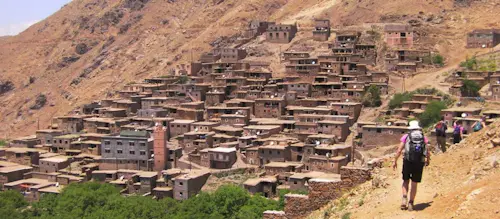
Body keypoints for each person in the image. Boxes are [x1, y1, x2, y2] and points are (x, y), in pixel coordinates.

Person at [393, 120, 430, 211]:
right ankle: (411, 203)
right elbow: (428, 151)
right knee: (414, 183)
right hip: (419, 162)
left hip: (407, 161)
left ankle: (404, 198)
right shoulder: (423, 137)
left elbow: (399, 150)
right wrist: (427, 160)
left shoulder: (406, 136)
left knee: (405, 180)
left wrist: (395, 161)